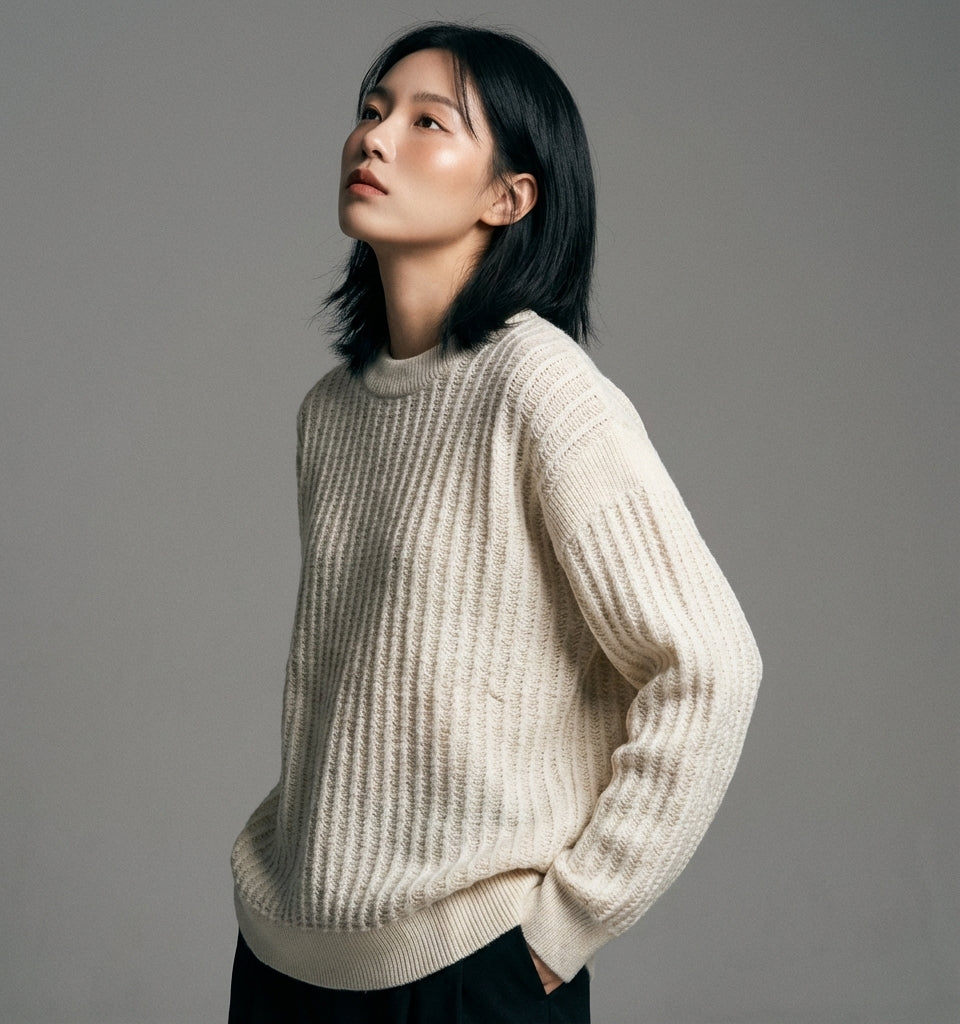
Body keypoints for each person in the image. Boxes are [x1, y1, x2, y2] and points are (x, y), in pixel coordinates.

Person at [228, 22, 761, 1024]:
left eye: (428, 122)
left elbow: (711, 665)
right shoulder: (331, 412)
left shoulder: (539, 386)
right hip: (289, 961)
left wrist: (564, 928)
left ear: (508, 197)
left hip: (468, 974)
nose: (375, 138)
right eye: (372, 110)